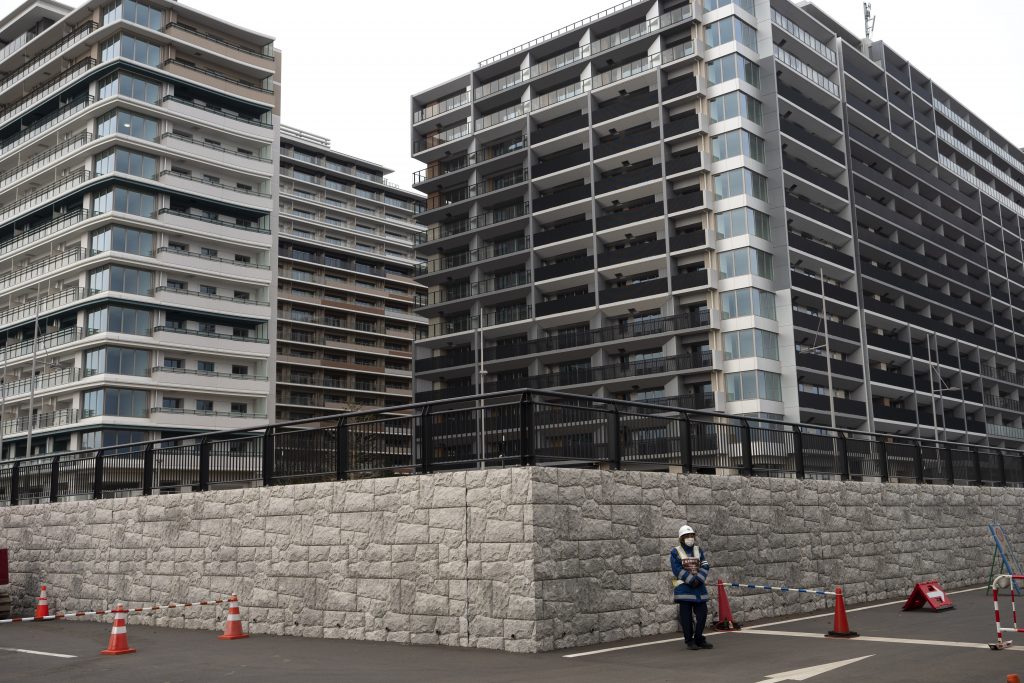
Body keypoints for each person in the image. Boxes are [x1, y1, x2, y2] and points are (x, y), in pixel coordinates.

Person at [670, 524, 713, 651]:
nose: (690, 538)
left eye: (691, 536)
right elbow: (676, 569)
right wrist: (690, 580)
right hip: (684, 590)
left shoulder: (698, 550)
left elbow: (705, 565)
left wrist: (698, 579)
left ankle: (699, 638)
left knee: (702, 615)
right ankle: (689, 641)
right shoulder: (675, 551)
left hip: (699, 588)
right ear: (681, 538)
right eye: (687, 536)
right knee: (686, 618)